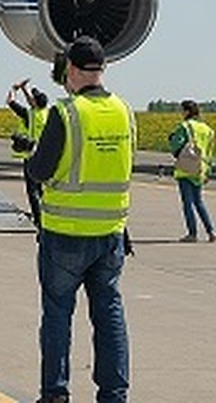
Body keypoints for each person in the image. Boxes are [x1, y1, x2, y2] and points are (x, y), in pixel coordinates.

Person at [27, 36, 134, 403]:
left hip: (65, 235)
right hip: (110, 235)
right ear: (102, 70)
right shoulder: (125, 111)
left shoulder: (66, 112)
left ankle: (55, 393)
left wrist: (30, 158)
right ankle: (114, 394)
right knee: (109, 315)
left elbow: (41, 170)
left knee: (57, 315)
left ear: (72, 70)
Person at [169, 99, 216, 243]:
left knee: (187, 203)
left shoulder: (185, 126)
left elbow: (175, 145)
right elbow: (209, 152)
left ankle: (192, 233)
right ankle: (211, 230)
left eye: (182, 110)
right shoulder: (208, 130)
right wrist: (208, 170)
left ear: (187, 112)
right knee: (199, 202)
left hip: (186, 168)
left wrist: (171, 140)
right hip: (200, 168)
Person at [6, 78, 50, 227]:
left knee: (33, 191)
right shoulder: (47, 114)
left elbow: (10, 101)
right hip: (45, 156)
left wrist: (14, 89)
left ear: (35, 103)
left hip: (31, 156)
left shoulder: (29, 115)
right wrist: (25, 88)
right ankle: (47, 216)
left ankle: (38, 220)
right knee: (43, 190)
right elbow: (32, 101)